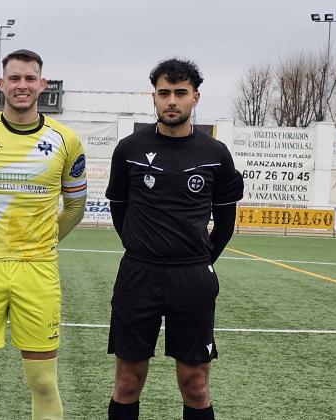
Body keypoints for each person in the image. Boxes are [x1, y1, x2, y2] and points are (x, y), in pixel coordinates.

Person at [0, 49, 87, 420]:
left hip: (38, 270)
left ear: (42, 84)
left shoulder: (66, 140)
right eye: (14, 78)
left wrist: (41, 243)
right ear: (1, 84)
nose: (22, 85)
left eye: (29, 78)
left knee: (43, 380)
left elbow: (75, 208)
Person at [104, 58, 243, 420]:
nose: (171, 101)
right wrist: (141, 248)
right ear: (153, 98)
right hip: (138, 274)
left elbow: (225, 225)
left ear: (195, 98)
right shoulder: (129, 150)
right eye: (164, 93)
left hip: (191, 277)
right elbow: (120, 212)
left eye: (180, 93)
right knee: (127, 381)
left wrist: (199, 261)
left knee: (195, 382)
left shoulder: (215, 155)